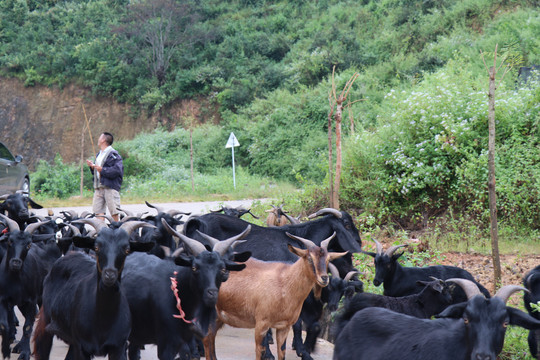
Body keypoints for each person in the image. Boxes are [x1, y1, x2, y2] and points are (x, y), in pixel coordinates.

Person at [86, 132, 124, 222]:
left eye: (100, 137)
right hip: (98, 188)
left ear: (103, 140)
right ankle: (101, 231)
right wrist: (92, 167)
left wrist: (102, 170)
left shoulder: (114, 155)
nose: (98, 139)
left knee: (114, 211)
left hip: (110, 187)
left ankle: (116, 230)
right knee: (98, 211)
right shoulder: (99, 154)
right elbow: (97, 172)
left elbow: (117, 170)